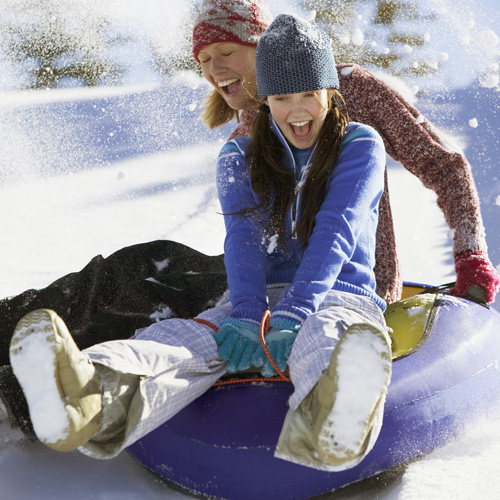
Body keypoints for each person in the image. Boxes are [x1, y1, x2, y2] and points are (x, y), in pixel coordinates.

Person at [1, 0, 498, 439]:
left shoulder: (351, 97)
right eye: (204, 61)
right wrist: (247, 307)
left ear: (261, 47)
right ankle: (44, 361)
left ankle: (28, 392)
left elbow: (439, 166)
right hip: (267, 278)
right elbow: (244, 230)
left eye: (225, 53)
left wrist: (470, 252)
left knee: (151, 282)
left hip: (350, 282)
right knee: (143, 267)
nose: (215, 70)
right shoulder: (245, 132)